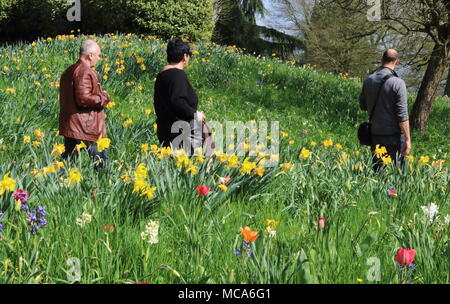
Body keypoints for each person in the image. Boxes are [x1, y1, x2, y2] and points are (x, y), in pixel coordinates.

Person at [153, 38, 210, 155]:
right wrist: (195, 114)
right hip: (182, 133)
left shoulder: (161, 76)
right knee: (198, 165)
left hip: (165, 131)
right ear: (185, 56)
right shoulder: (178, 75)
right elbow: (178, 101)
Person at [59, 39, 110, 169]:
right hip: (86, 127)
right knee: (101, 165)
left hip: (71, 125)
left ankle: (60, 186)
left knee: (67, 164)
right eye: (98, 55)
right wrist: (103, 97)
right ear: (90, 55)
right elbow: (83, 99)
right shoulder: (84, 71)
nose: (99, 58)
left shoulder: (69, 70)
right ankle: (101, 188)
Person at [359, 49, 411, 172]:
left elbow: (363, 106)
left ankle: (380, 192)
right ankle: (392, 191)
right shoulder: (398, 83)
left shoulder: (368, 80)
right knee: (396, 177)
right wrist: (408, 138)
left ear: (382, 60)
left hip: (375, 135)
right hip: (395, 138)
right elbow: (402, 115)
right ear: (397, 62)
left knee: (378, 175)